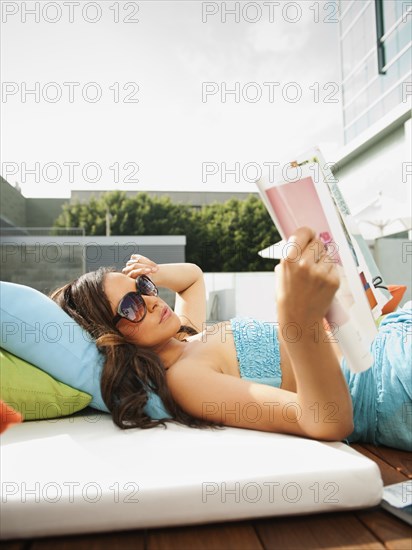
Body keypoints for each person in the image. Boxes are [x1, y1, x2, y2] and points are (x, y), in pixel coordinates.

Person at [51, 227, 412, 451]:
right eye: (131, 306)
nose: (151, 298)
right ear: (112, 338)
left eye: (143, 287)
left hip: (389, 334)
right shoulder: (185, 378)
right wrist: (298, 320)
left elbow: (192, 279)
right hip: (384, 382)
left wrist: (158, 272)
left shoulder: (183, 334)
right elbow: (326, 420)